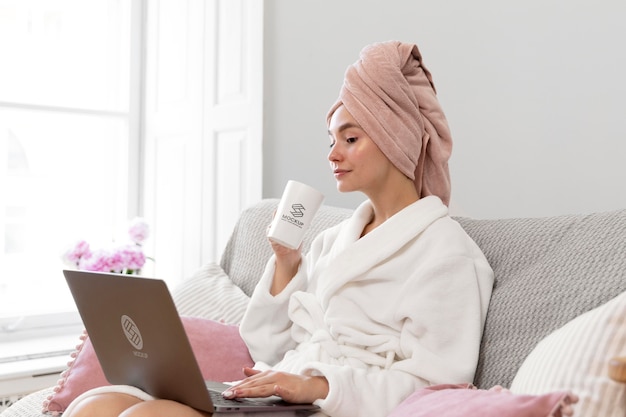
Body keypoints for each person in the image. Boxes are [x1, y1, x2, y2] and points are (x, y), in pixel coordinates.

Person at [64, 40, 494, 417]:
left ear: (394, 138)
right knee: (95, 405)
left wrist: (319, 386)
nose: (332, 155)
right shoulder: (332, 240)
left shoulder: (446, 252)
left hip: (338, 406)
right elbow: (268, 349)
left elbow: (436, 388)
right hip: (283, 397)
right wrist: (286, 263)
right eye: (331, 140)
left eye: (350, 139)